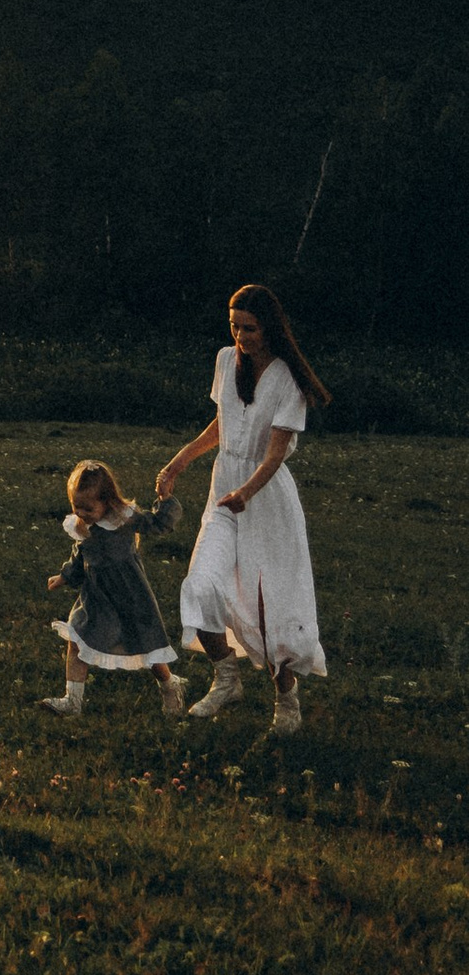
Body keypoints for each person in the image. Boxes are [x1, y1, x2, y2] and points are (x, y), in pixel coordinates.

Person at [156, 282, 328, 734]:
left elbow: (274, 453)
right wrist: (179, 463)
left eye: (249, 327)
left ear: (268, 326)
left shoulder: (286, 378)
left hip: (265, 501)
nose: (240, 335)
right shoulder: (224, 361)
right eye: (233, 326)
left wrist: (247, 493)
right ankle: (227, 679)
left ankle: (286, 700)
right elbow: (222, 425)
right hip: (224, 494)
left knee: (267, 606)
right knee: (198, 587)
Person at [42, 459, 184, 717]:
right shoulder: (82, 524)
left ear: (107, 501)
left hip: (130, 594)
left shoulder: (124, 519)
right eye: (76, 506)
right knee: (77, 640)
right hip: (96, 597)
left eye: (88, 508)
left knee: (146, 646)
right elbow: (80, 554)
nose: (81, 514)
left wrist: (165, 498)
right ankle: (72, 701)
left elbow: (158, 524)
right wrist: (64, 576)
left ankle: (169, 685)